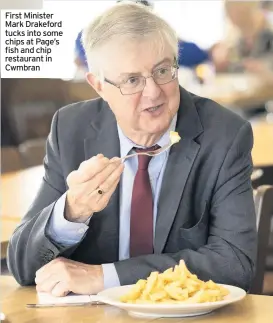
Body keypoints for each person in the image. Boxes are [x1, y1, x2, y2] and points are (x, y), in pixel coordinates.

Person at [7, 2, 257, 297]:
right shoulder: (71, 128)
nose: (153, 92)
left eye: (163, 70)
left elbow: (235, 264)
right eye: (132, 80)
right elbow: (22, 267)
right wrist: (72, 211)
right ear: (98, 85)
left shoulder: (224, 134)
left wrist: (105, 277)